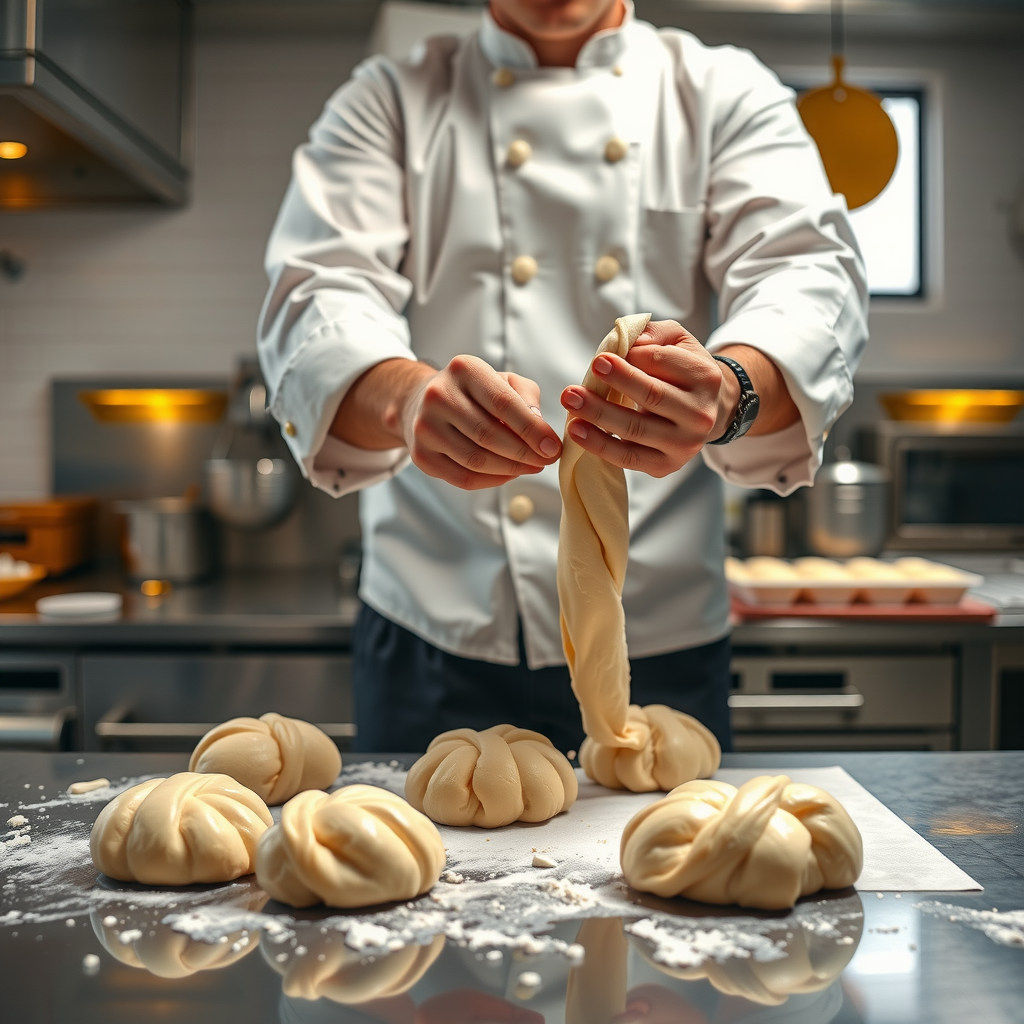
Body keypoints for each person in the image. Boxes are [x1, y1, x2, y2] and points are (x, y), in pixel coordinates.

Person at [258, 0, 868, 755]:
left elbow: (806, 277)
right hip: (433, 629)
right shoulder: (389, 99)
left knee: (675, 868)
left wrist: (730, 390)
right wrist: (407, 398)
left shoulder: (721, 91)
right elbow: (319, 288)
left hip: (660, 635)